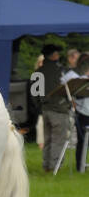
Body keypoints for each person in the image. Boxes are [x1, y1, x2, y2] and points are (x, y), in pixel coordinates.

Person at [35, 43, 74, 173]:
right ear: (54, 55)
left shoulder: (38, 72)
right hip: (59, 109)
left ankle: (46, 165)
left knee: (47, 140)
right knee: (58, 140)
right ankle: (54, 167)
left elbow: (34, 95)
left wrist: (40, 106)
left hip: (45, 110)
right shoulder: (61, 71)